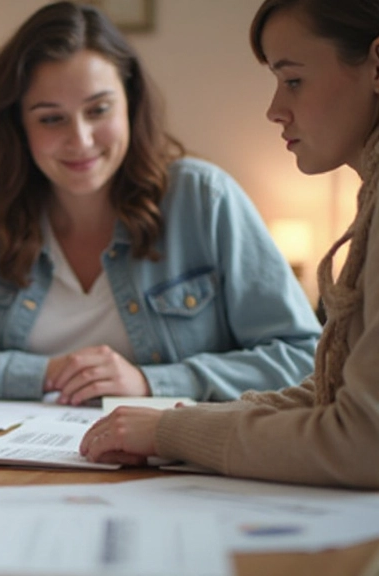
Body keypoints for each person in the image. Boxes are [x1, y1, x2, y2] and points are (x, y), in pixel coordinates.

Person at [0, 1, 321, 406]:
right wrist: (41, 374)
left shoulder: (206, 199)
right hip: (9, 467)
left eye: (99, 110)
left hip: (172, 467)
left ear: (130, 102)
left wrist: (151, 382)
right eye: (51, 118)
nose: (80, 140)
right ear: (18, 125)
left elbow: (304, 358)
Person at [81, 0, 379, 488]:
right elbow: (333, 394)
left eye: (294, 80)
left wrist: (171, 429)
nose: (274, 109)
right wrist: (181, 423)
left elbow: (363, 441)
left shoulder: (203, 194)